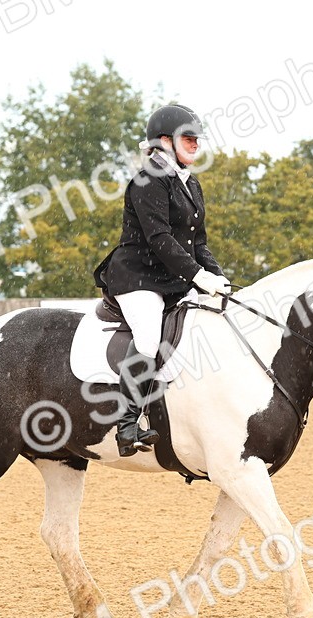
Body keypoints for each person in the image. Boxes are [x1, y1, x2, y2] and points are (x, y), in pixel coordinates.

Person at [93, 104, 231, 457]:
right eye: (189, 138)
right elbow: (160, 239)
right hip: (138, 277)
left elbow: (197, 242)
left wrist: (217, 277)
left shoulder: (190, 183)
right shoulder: (147, 180)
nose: (196, 145)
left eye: (197, 139)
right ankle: (126, 425)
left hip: (173, 279)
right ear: (165, 141)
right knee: (150, 335)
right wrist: (198, 276)